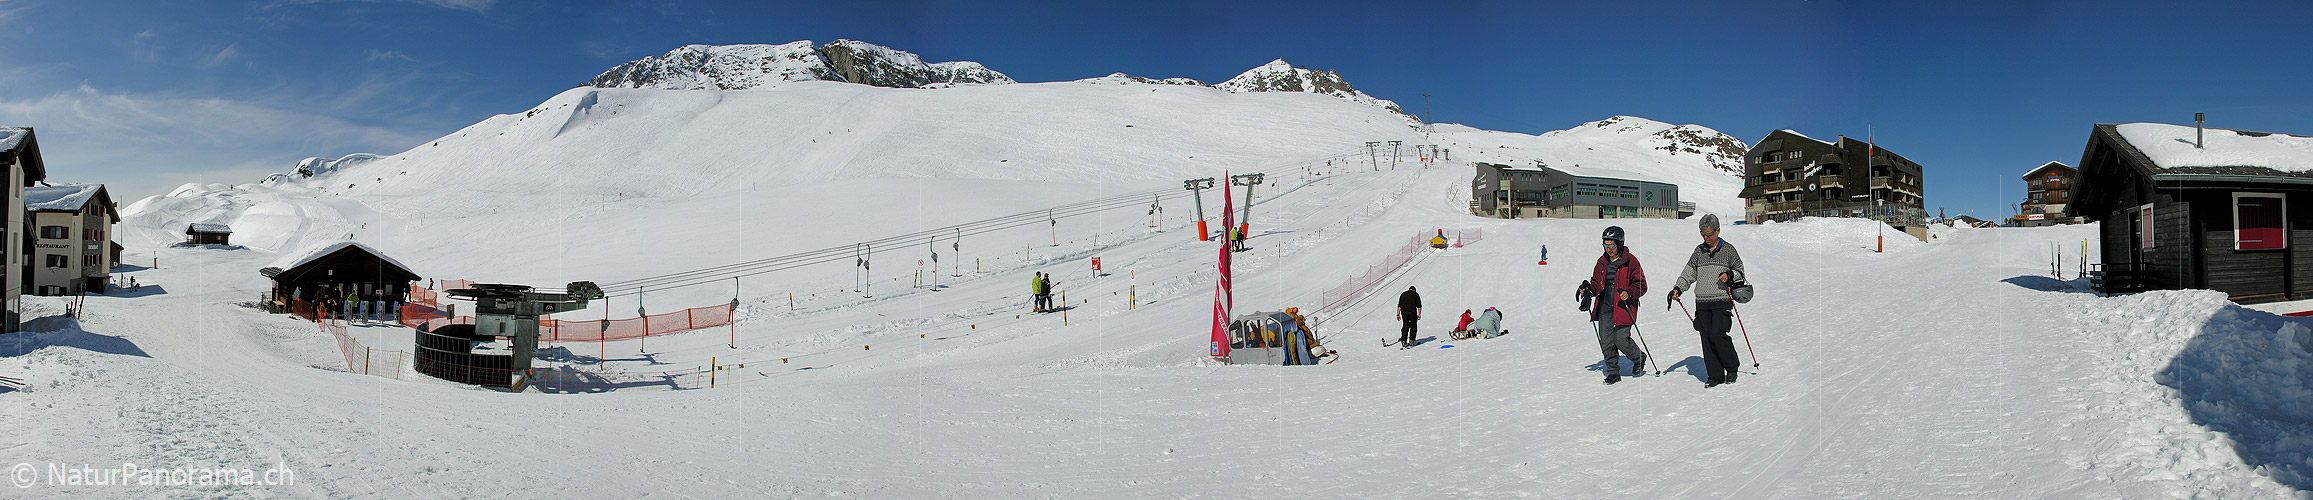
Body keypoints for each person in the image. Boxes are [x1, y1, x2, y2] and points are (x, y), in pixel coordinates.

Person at [1669, 214, 1747, 387]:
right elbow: (1688, 273)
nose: (1706, 238)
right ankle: (1715, 376)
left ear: (1718, 230)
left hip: (1721, 299)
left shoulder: (1728, 250)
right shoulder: (1699, 251)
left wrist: (1730, 275)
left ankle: (1732, 368)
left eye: (1709, 234)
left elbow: (1740, 271)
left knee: (1718, 335)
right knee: (1706, 337)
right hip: (1702, 302)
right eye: (1703, 234)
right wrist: (1678, 288)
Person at [1579, 225, 1647, 384]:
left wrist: (1629, 292)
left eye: (1612, 245)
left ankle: (1638, 357)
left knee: (1621, 339)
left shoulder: (1631, 261)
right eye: (1606, 245)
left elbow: (1641, 285)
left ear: (1620, 243)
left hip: (1623, 305)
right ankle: (1613, 372)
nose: (1609, 249)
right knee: (1606, 340)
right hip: (1604, 304)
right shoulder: (1602, 262)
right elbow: (1596, 283)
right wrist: (1588, 290)